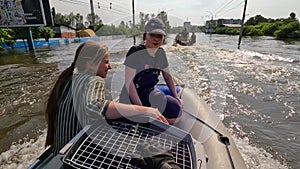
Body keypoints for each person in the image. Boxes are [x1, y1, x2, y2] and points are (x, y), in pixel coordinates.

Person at [45, 41, 168, 155]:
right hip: (75, 154)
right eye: (106, 62)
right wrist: (145, 110)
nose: (110, 67)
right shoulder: (93, 79)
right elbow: (94, 107)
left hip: (58, 152)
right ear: (91, 63)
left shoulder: (68, 79)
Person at [119, 18, 182, 124]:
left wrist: (176, 97)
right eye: (152, 35)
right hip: (131, 97)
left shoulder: (161, 53)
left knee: (176, 109)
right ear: (145, 35)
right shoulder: (135, 51)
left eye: (159, 36)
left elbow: (167, 76)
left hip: (149, 92)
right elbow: (129, 82)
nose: (156, 39)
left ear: (164, 38)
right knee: (138, 120)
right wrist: (141, 109)